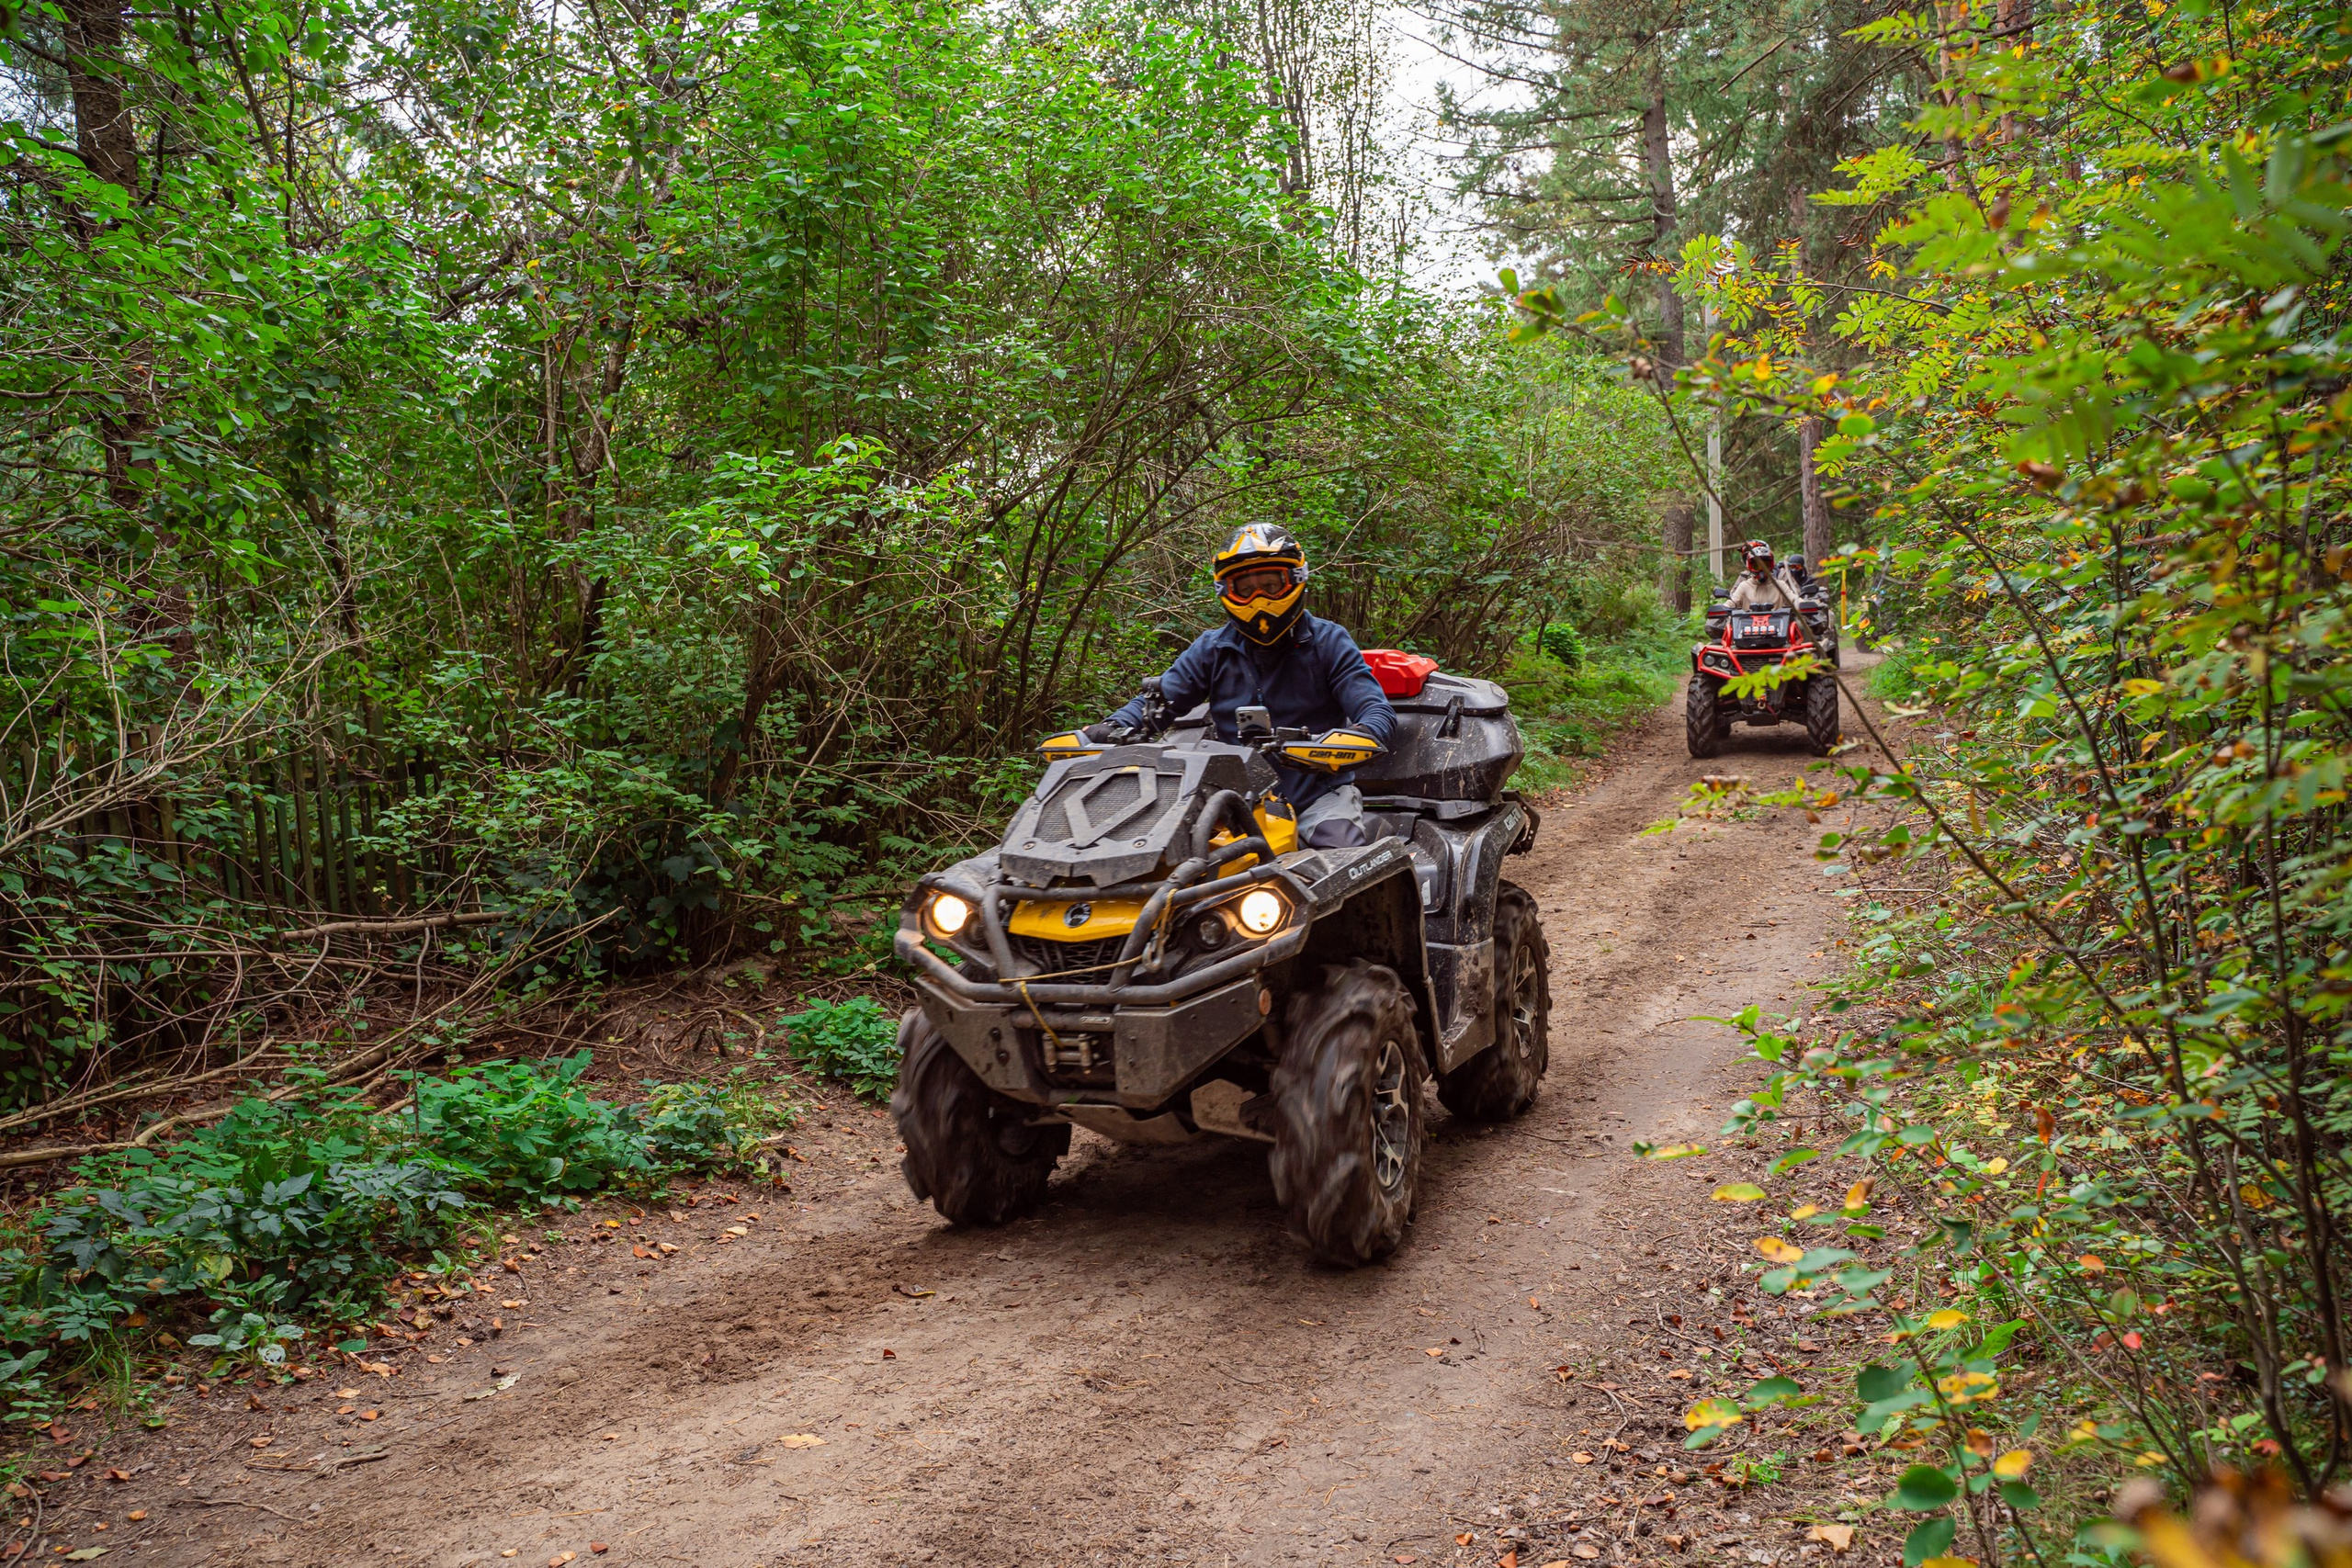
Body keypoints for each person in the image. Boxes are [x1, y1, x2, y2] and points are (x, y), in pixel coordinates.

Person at [1087, 524, 1396, 849]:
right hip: (1233, 802)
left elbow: (1375, 709)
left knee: (1342, 862)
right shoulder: (1212, 648)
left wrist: (1362, 734)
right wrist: (1111, 727)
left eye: (1270, 585)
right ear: (1226, 591)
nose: (1259, 597)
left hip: (1318, 799)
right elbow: (1157, 704)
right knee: (1165, 858)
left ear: (1295, 580)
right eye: (1246, 588)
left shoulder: (1329, 641)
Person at [1727, 539, 1803, 611]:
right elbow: (1732, 602)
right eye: (1756, 566)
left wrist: (1804, 604)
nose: (1761, 570)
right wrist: (1722, 609)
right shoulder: (1744, 586)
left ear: (1771, 566)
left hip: (1779, 623)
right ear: (1750, 567)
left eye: (1765, 566)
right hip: (1746, 623)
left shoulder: (1780, 584)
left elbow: (1794, 599)